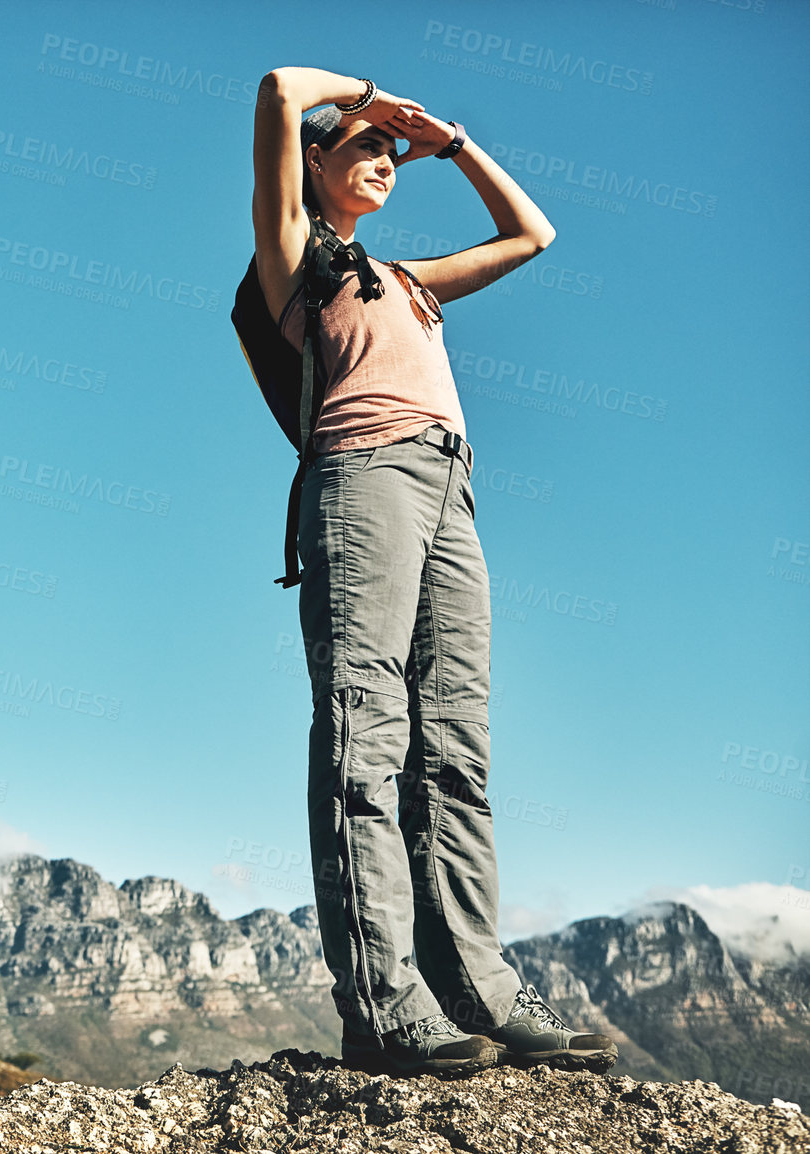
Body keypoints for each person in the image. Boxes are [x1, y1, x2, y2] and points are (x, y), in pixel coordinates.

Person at [249, 67, 618, 1077]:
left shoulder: (408, 280)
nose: (381, 160)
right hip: (362, 476)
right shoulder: (295, 261)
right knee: (367, 732)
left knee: (455, 745)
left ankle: (480, 989)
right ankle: (381, 1003)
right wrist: (372, 97)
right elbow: (280, 89)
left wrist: (450, 143)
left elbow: (533, 233)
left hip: (453, 492)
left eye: (390, 155)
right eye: (363, 148)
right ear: (316, 164)